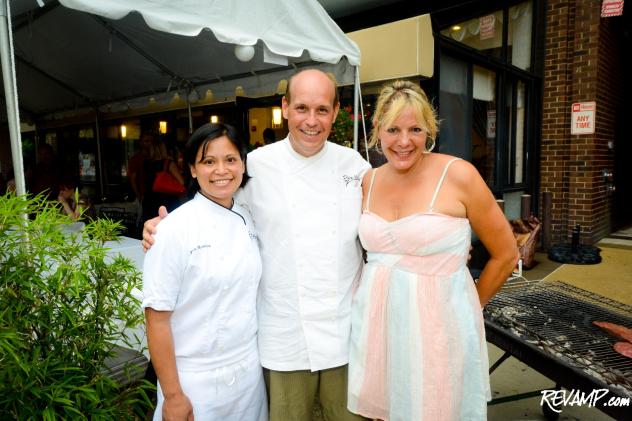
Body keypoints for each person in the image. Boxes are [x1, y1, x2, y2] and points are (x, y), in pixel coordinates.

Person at [143, 69, 370, 421]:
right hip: (284, 339)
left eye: (322, 110)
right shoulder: (257, 166)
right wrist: (162, 227)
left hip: (346, 335)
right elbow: (214, 204)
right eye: (302, 108)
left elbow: (381, 224)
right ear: (284, 107)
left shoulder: (355, 166)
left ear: (337, 112)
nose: (312, 121)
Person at [347, 80, 519, 421]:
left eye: (415, 129)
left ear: (430, 130)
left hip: (440, 329)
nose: (404, 141)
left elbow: (507, 254)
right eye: (393, 129)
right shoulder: (368, 180)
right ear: (378, 129)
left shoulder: (458, 175)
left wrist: (466, 308)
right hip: (378, 325)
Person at [142, 123, 267, 420]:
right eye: (208, 161)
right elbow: (156, 319)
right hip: (193, 380)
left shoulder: (249, 218)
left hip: (249, 374)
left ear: (243, 163)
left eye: (231, 159)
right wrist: (173, 396)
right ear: (193, 170)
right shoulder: (172, 229)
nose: (221, 170)